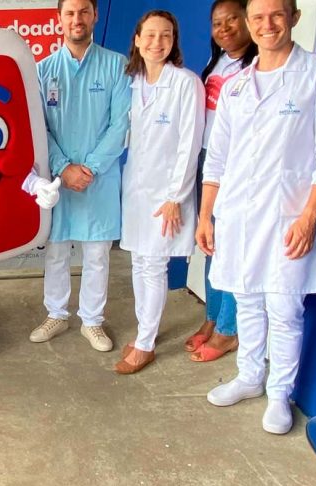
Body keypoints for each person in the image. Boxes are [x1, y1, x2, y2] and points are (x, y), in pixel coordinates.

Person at [198, 0, 316, 434]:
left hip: (289, 216)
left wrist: (308, 218)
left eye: (277, 15)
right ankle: (250, 376)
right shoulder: (236, 86)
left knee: (284, 307)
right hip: (237, 214)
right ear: (249, 23)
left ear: (294, 18)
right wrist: (207, 215)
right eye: (259, 17)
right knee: (246, 299)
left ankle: (280, 395)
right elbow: (218, 159)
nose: (268, 25)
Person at [32, 0, 131, 351]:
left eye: (84, 11)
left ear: (95, 16)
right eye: (70, 13)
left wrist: (89, 168)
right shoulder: (43, 71)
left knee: (97, 255)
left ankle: (92, 322)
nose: (77, 19)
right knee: (56, 253)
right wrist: (63, 168)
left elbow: (121, 124)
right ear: (59, 18)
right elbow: (38, 128)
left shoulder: (117, 66)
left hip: (98, 181)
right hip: (59, 182)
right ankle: (57, 314)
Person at [116, 11, 205, 374]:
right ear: (137, 39)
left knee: (153, 265)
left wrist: (176, 197)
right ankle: (142, 332)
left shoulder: (186, 83)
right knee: (139, 261)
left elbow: (191, 143)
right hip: (137, 188)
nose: (157, 43)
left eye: (165, 36)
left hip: (167, 194)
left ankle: (146, 343)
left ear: (174, 41)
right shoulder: (132, 82)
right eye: (149, 35)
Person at [185, 0, 257, 363]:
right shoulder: (216, 65)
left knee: (233, 251)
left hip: (238, 169)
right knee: (211, 244)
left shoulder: (257, 67)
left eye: (233, 20)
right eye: (217, 23)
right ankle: (212, 318)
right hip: (208, 163)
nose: (225, 28)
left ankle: (230, 330)